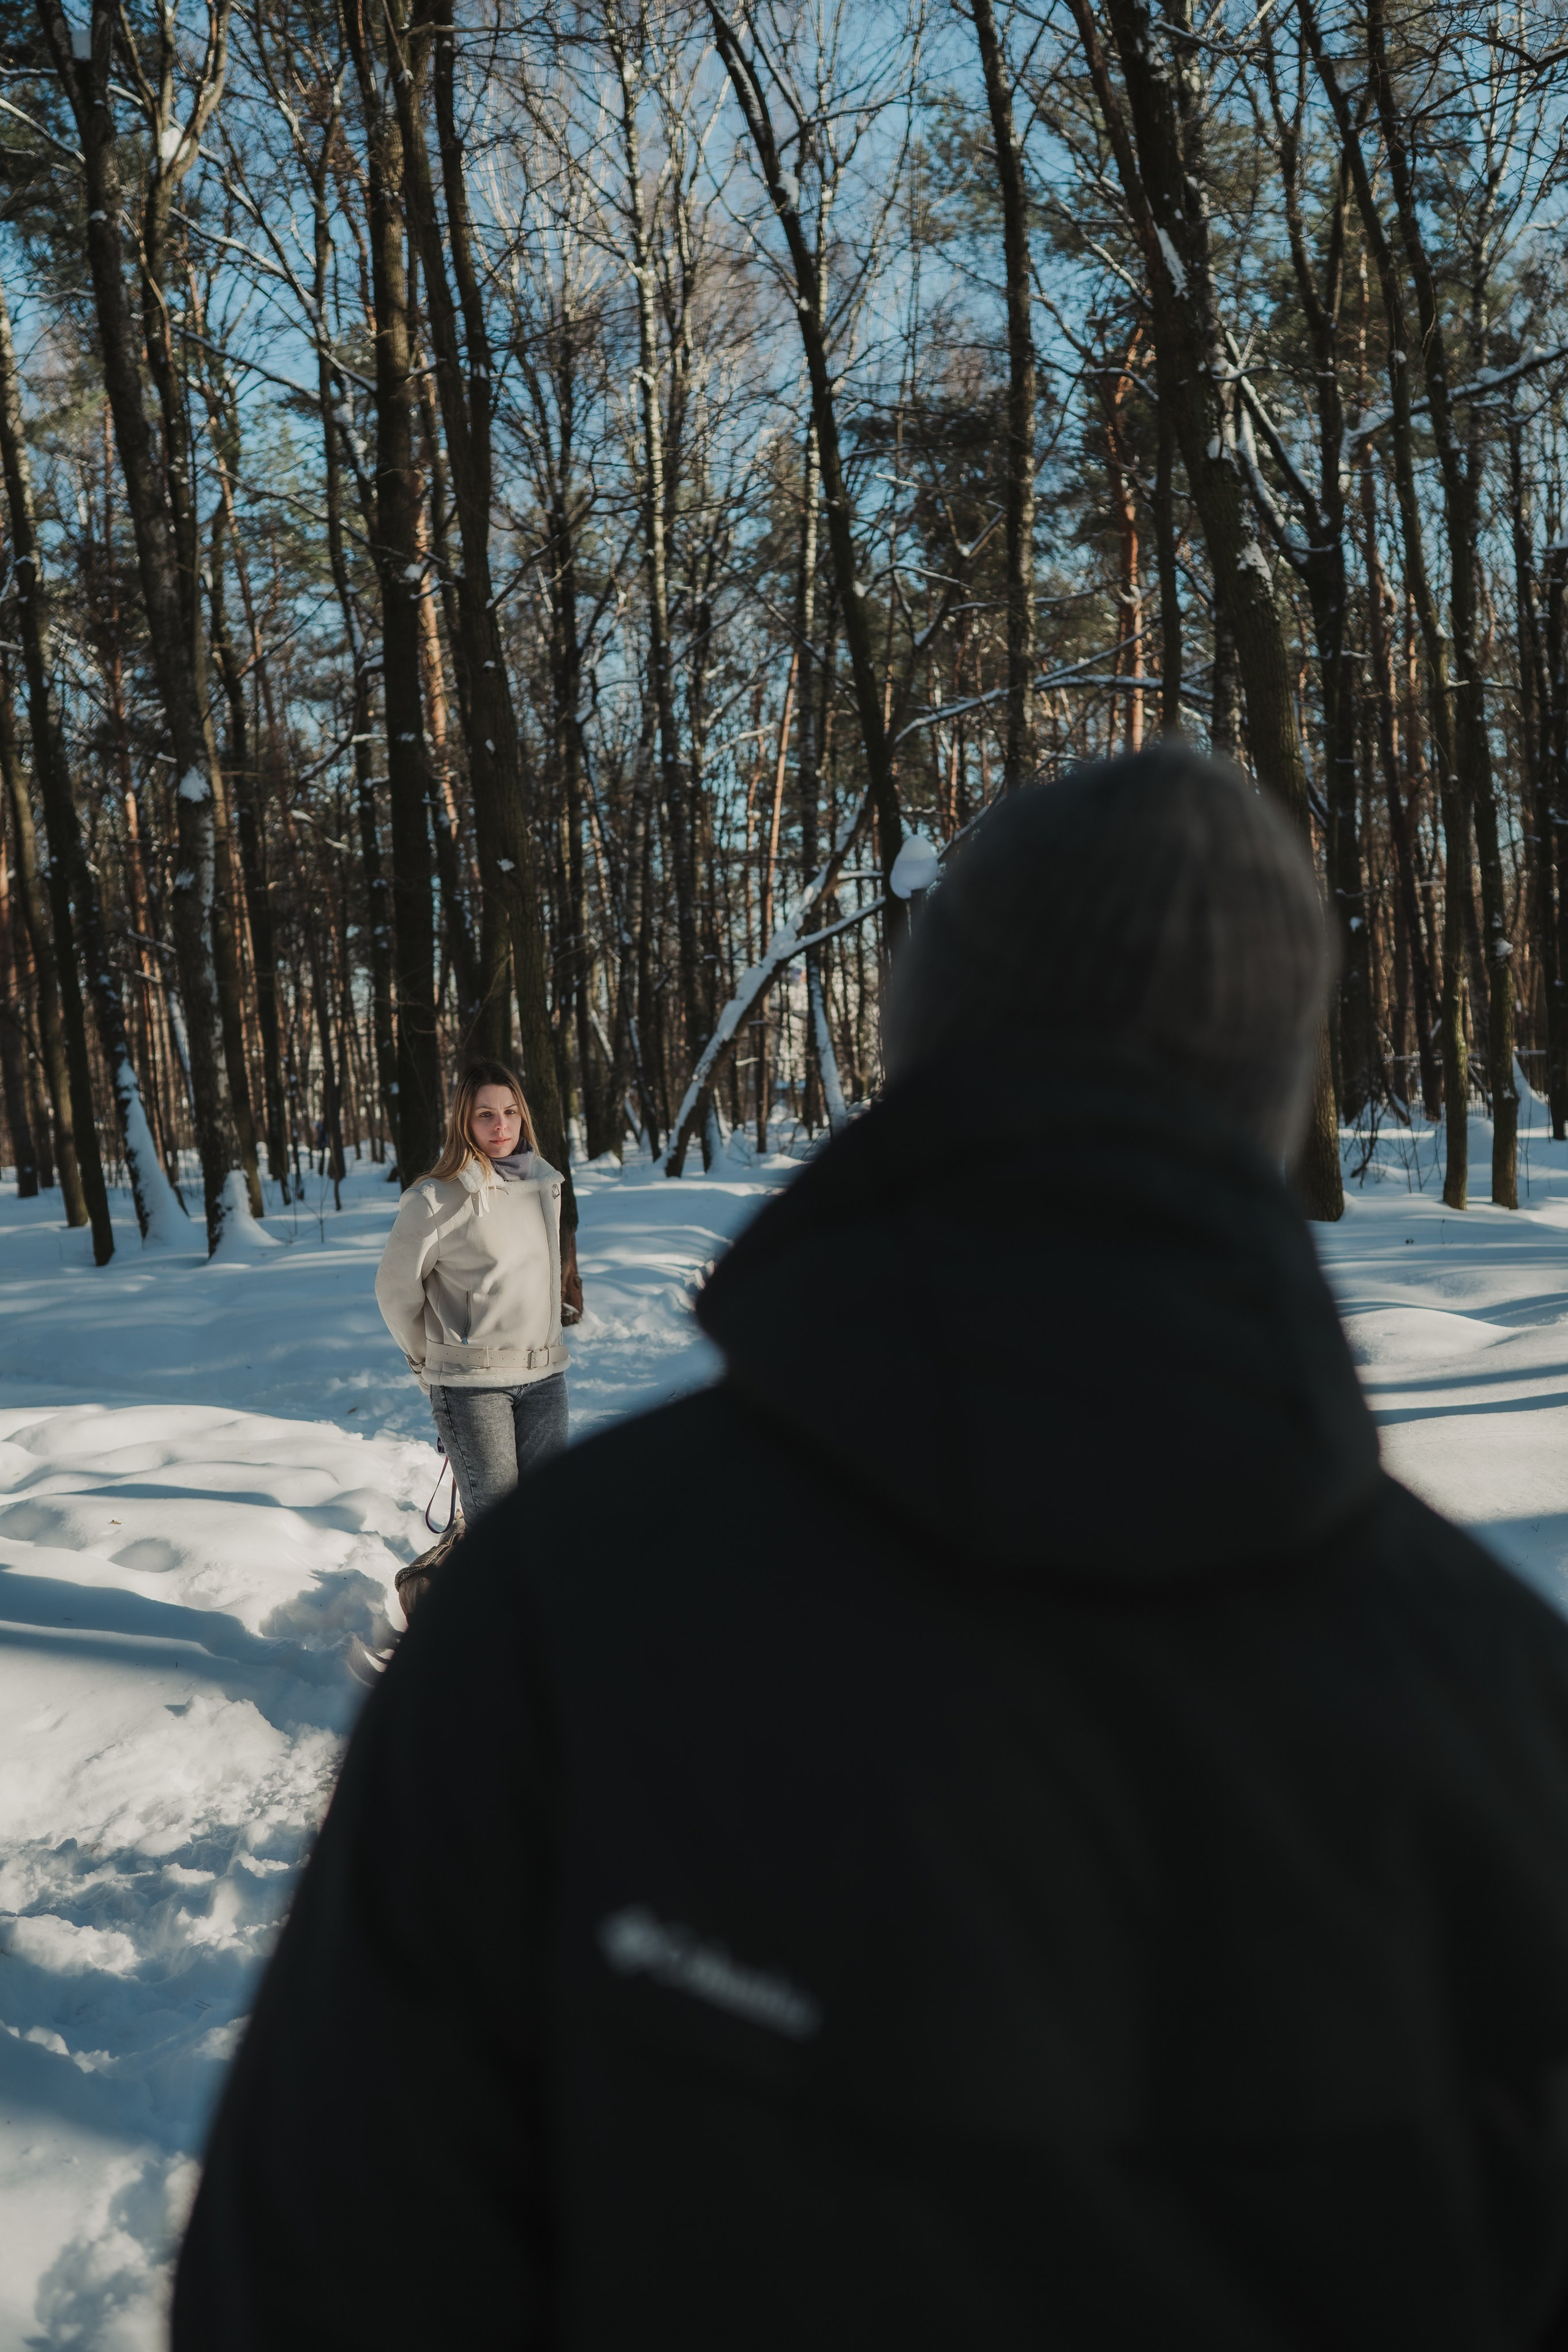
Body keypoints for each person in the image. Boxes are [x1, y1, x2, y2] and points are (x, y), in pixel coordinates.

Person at [175, 748, 1568, 2350]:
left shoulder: (566, 1617)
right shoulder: (1508, 1715)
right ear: (1278, 1083)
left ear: (925, 1038)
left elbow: (310, 2285)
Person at [374, 1058, 570, 1527]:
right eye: (485, 1114)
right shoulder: (434, 1199)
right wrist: (432, 1360)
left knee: (550, 1520)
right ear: (465, 1121)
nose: (500, 1125)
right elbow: (394, 1290)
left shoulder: (545, 1183)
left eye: (509, 1111)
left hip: (546, 1378)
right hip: (473, 1387)